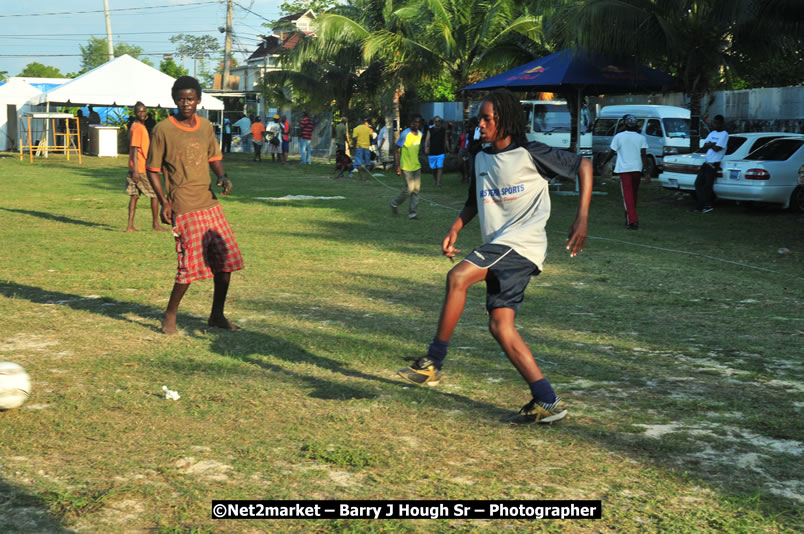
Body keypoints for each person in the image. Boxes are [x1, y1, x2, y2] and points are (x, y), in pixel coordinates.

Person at [397, 89, 593, 424]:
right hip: (503, 247)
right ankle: (547, 401)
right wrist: (456, 228)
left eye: (488, 119)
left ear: (506, 120)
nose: (482, 124)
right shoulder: (481, 157)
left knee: (458, 276)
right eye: (480, 119)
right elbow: (476, 199)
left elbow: (584, 164)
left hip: (522, 244)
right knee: (501, 326)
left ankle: (433, 362)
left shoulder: (531, 153)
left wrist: (583, 215)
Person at [145, 76, 244, 335]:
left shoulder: (206, 126)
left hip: (209, 202)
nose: (185, 103)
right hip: (184, 205)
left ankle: (217, 314)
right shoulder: (162, 129)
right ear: (174, 99)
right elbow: (152, 170)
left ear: (199, 100)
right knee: (188, 266)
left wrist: (221, 175)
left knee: (226, 260)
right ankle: (170, 314)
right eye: (181, 99)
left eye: (190, 99)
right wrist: (165, 202)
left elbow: (214, 156)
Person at [126, 102, 167, 233]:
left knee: (135, 196)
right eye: (139, 111)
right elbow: (134, 150)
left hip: (136, 167)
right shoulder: (138, 128)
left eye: (144, 111)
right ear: (135, 112)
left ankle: (130, 226)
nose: (142, 114)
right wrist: (136, 171)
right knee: (155, 194)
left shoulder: (137, 126)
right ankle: (155, 225)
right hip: (141, 168)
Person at [604, 114, 649, 230]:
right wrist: (647, 171)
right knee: (633, 196)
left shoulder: (619, 136)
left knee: (627, 196)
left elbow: (612, 152)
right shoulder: (641, 138)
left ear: (624, 124)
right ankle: (628, 217)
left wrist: (603, 162)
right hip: (637, 169)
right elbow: (644, 155)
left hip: (624, 170)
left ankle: (633, 221)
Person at [390, 115, 424, 220]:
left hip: (416, 166)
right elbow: (396, 149)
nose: (416, 124)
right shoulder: (405, 133)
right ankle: (394, 203)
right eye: (415, 122)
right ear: (411, 123)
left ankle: (412, 213)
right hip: (406, 166)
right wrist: (397, 166)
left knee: (416, 190)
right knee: (409, 188)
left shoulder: (420, 135)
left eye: (418, 122)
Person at [693, 115, 728, 213]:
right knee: (698, 183)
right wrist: (713, 144)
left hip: (714, 163)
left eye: (716, 123)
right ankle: (701, 205)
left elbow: (718, 148)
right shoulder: (712, 133)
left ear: (721, 124)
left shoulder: (724, 134)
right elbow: (704, 146)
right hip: (707, 162)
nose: (714, 125)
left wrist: (710, 144)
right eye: (713, 122)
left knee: (707, 185)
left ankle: (707, 205)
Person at [425, 116, 450, 186]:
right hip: (432, 151)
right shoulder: (430, 130)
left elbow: (446, 140)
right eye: (436, 121)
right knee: (433, 168)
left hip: (441, 151)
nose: (437, 122)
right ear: (434, 122)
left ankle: (438, 182)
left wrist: (448, 149)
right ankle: (435, 179)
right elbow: (427, 139)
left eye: (438, 121)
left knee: (440, 167)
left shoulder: (443, 130)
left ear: (440, 122)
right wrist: (426, 147)